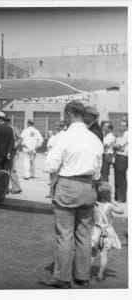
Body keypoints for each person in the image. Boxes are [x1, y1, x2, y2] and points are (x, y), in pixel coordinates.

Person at [41, 101, 103, 288]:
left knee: (65, 234)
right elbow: (98, 172)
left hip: (68, 186)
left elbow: (50, 166)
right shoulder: (94, 139)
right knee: (84, 233)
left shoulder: (64, 137)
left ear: (68, 114)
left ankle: (62, 277)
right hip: (88, 187)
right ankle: (82, 275)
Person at [91, 182, 123, 283]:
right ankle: (100, 275)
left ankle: (85, 273)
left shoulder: (93, 205)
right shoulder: (110, 206)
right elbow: (121, 211)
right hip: (107, 233)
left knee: (92, 254)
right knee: (104, 255)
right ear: (109, 194)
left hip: (95, 232)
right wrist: (114, 202)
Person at [45, 121, 65, 198]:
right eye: (56, 125)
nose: (56, 127)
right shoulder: (57, 135)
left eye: (58, 126)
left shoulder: (62, 135)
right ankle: (52, 193)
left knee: (55, 177)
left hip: (58, 159)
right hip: (54, 158)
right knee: (52, 177)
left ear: (62, 126)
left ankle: (53, 193)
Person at [4, 116, 22, 194]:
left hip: (12, 153)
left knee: (12, 170)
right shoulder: (2, 128)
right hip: (4, 152)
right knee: (5, 170)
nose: (7, 122)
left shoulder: (13, 129)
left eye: (8, 121)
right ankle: (5, 188)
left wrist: (15, 145)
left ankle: (16, 188)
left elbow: (20, 138)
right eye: (5, 120)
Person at [113, 120, 128, 202]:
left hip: (123, 157)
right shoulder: (120, 136)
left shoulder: (127, 135)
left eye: (123, 126)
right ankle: (117, 196)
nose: (121, 127)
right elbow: (115, 146)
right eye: (120, 126)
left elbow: (117, 146)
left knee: (121, 178)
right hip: (118, 156)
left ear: (126, 127)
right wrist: (116, 147)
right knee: (117, 177)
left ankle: (121, 198)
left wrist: (116, 147)